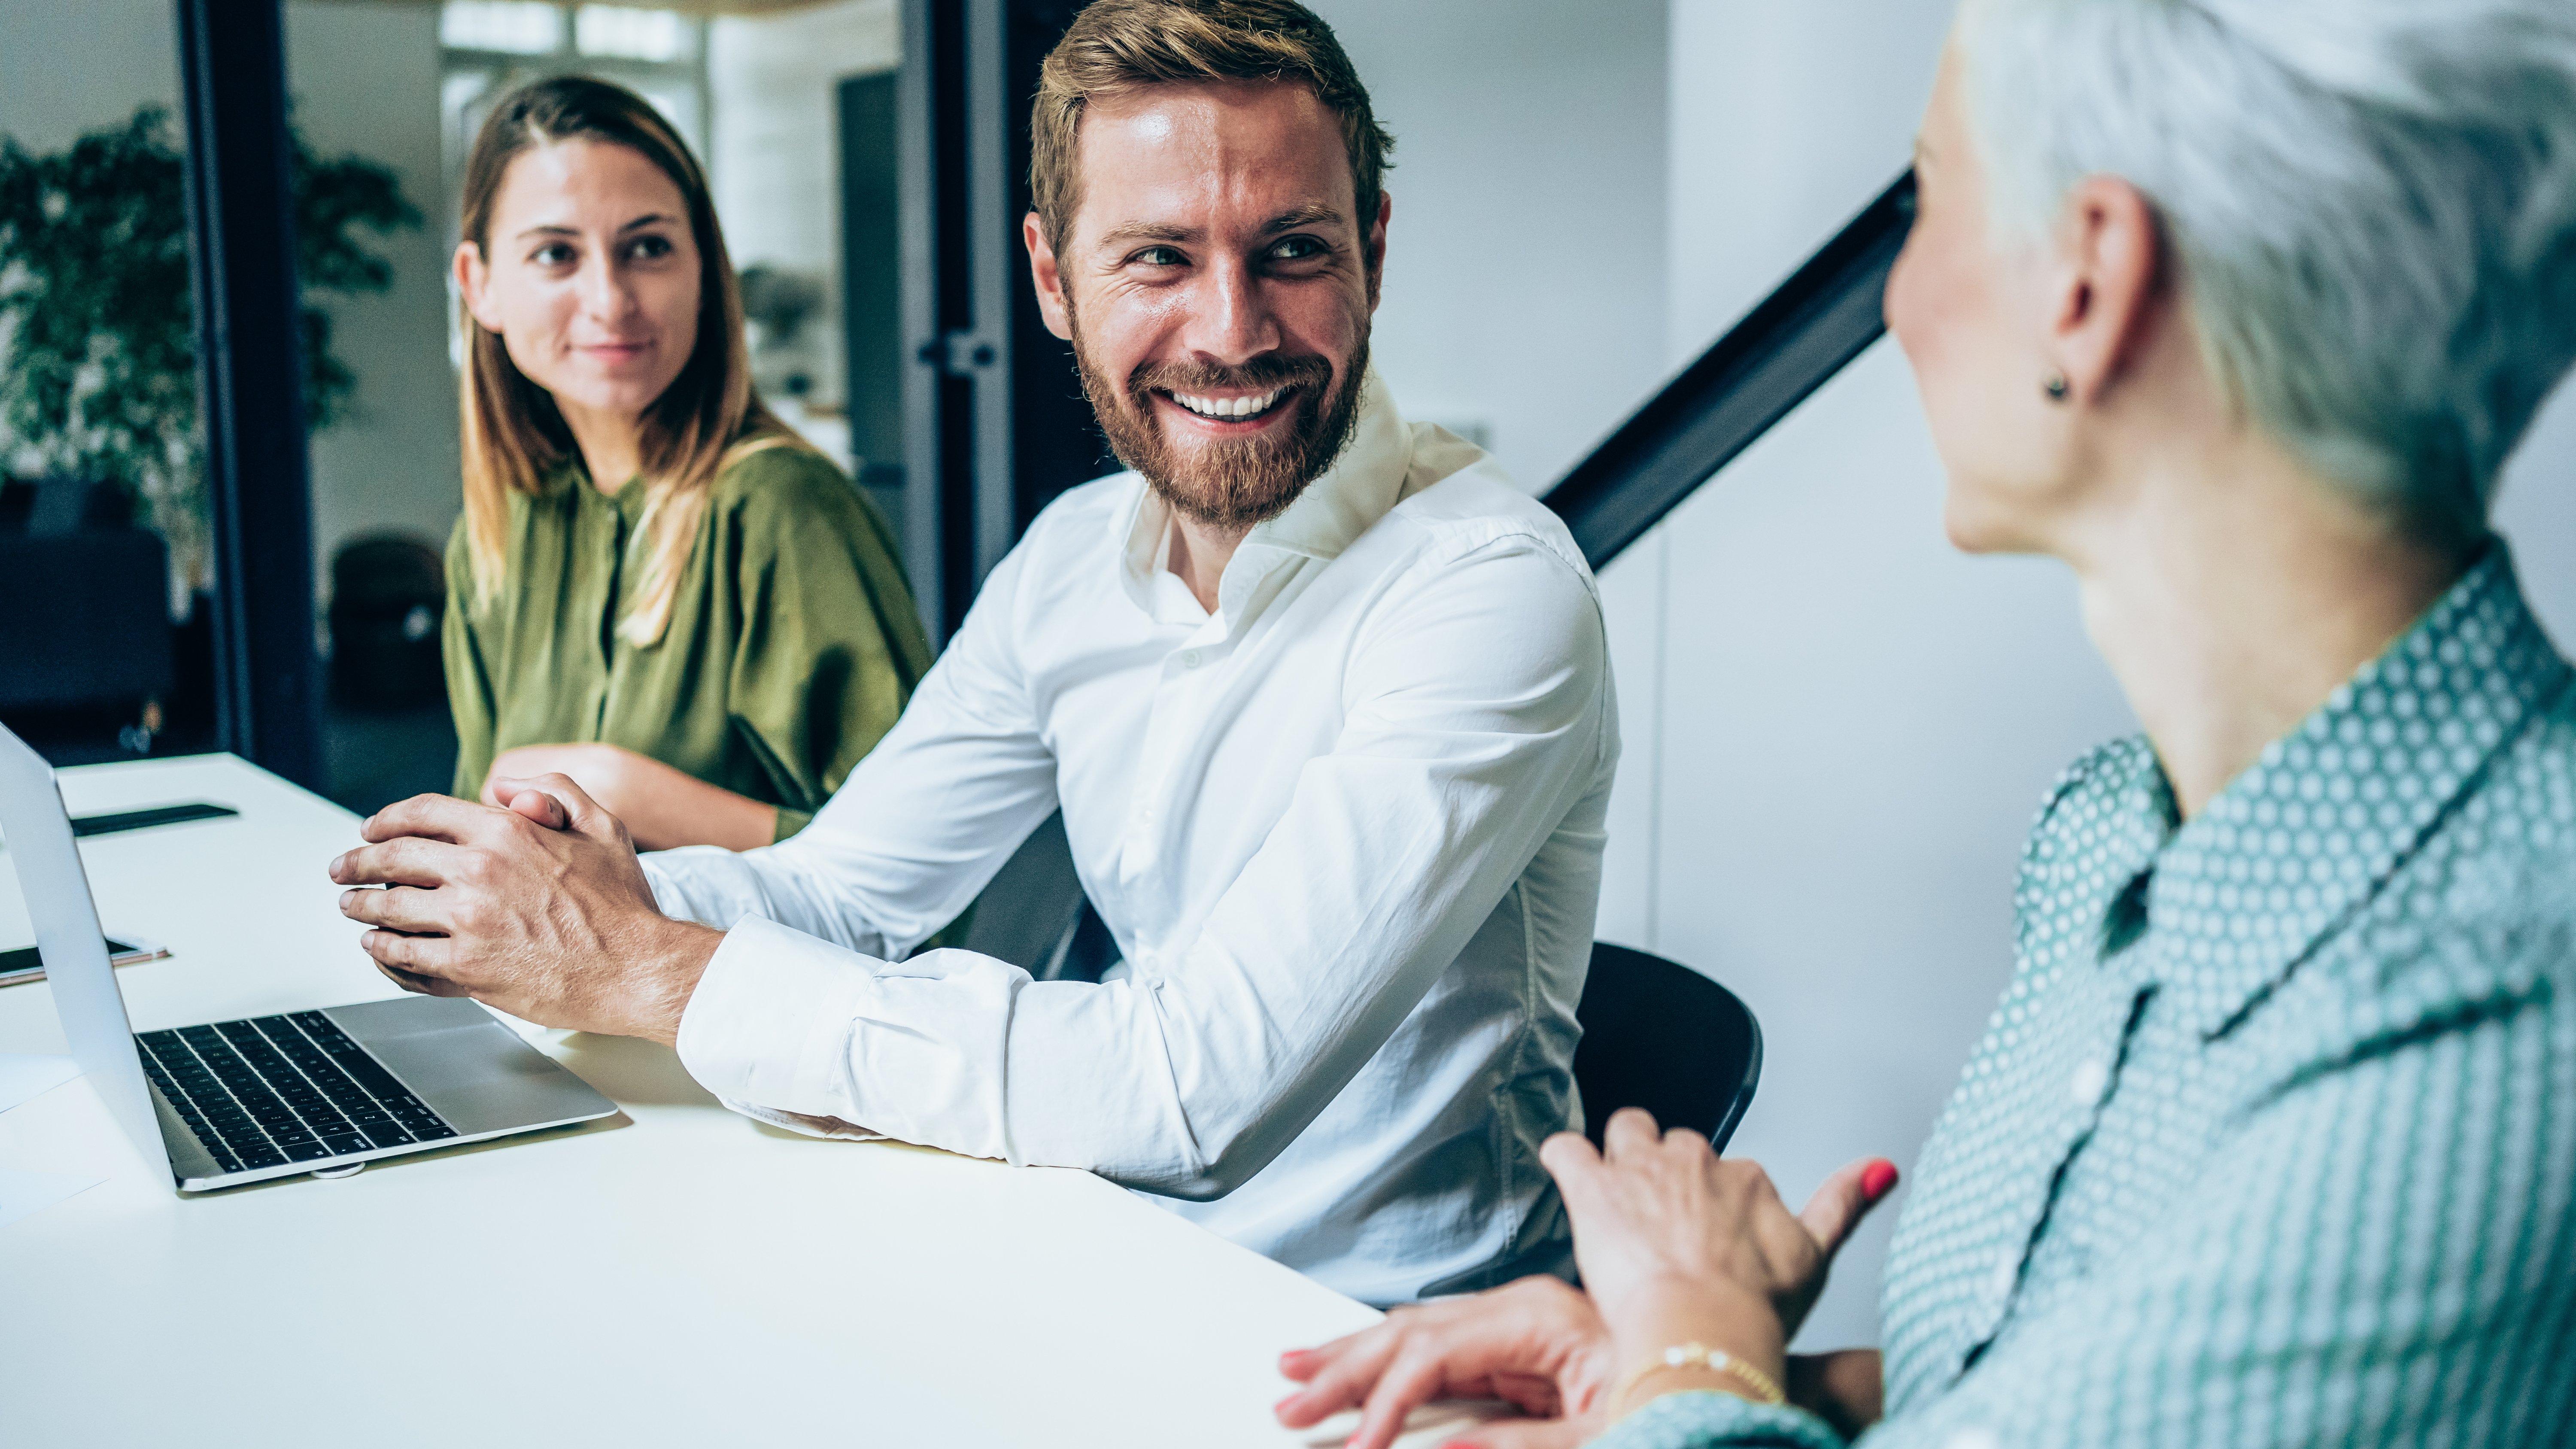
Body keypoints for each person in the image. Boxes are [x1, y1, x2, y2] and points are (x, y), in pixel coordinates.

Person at [1274, 0, 2576, 1444]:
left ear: (2087, 280)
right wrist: (1679, 1371)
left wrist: (1695, 1352)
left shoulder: (2503, 1021)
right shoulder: (2108, 837)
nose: (1897, 294)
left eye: (1930, 196)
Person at [330, 0, 1617, 1307]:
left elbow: (1190, 1089)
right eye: (1158, 260)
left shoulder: (1490, 593)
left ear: (1375, 254)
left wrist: (647, 962)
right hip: (1101, 1258)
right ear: (1054, 281)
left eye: (1292, 249)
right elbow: (845, 890)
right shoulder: (1070, 558)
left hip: (1390, 1340)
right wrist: (576, 894)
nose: (1233, 330)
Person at [444, 76, 933, 853]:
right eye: (555, 254)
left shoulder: (781, 509)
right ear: (481, 286)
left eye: (647, 248)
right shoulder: (495, 538)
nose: (609, 300)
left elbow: (925, 881)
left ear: (704, 271)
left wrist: (634, 795)